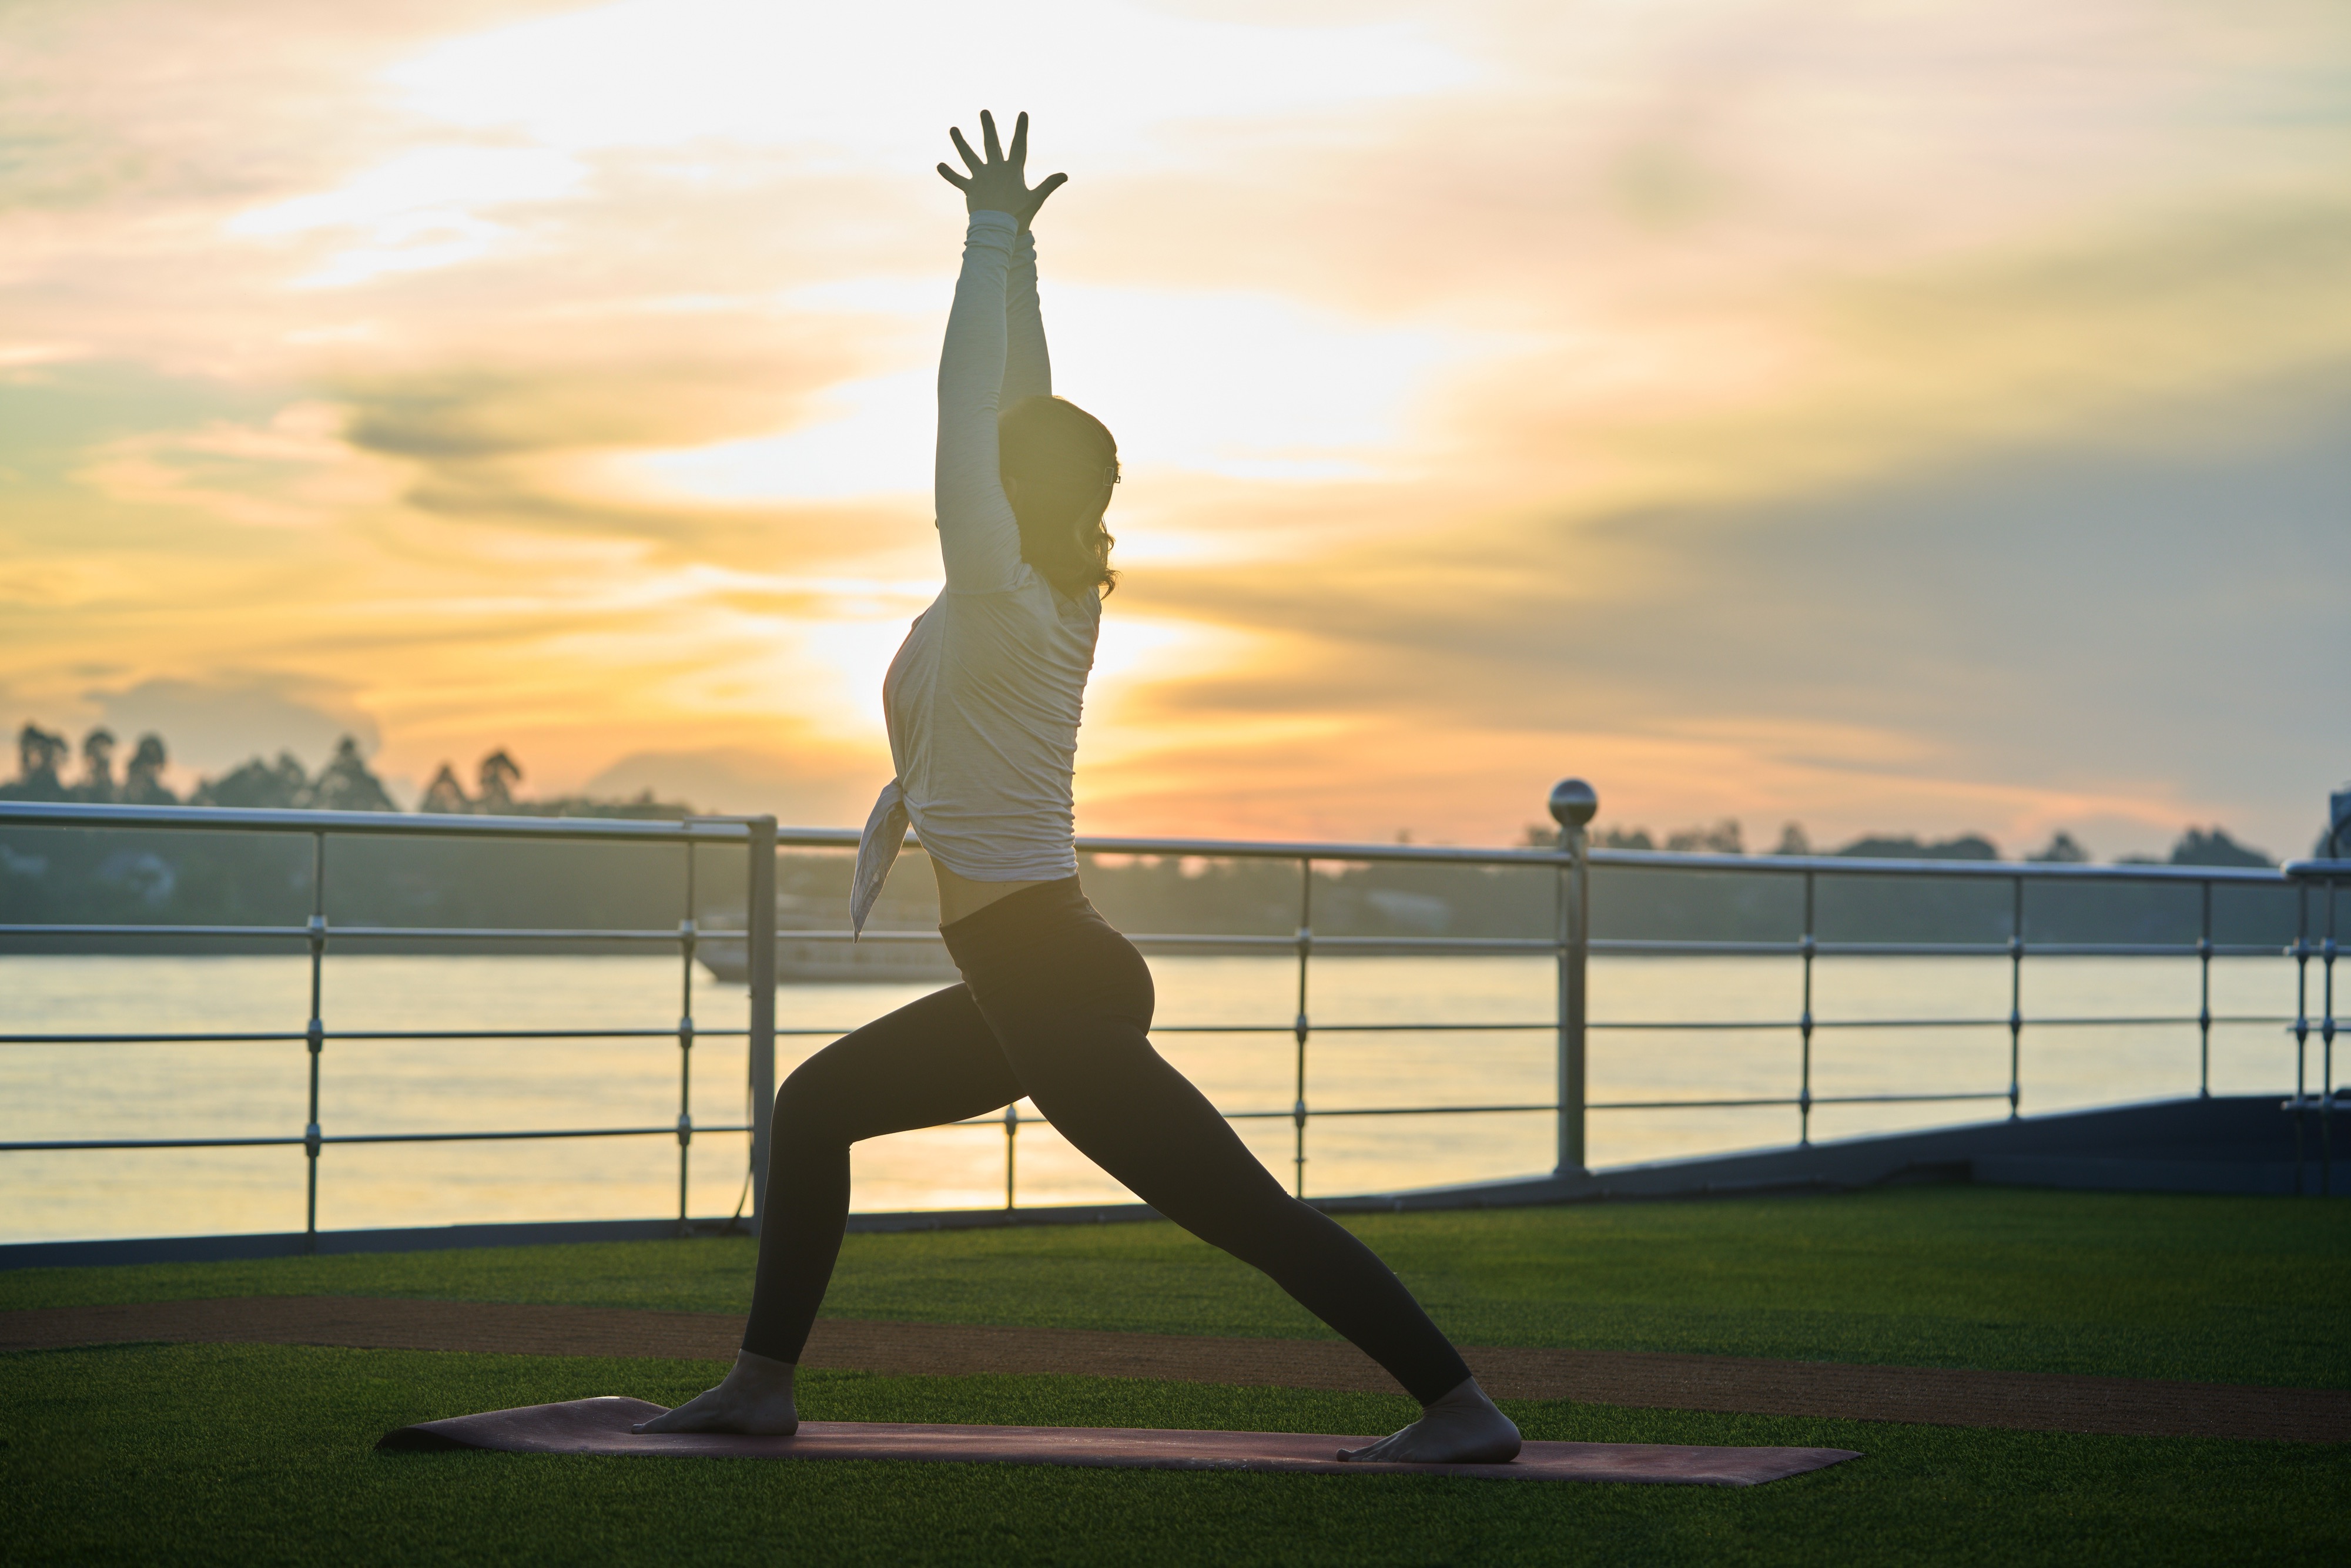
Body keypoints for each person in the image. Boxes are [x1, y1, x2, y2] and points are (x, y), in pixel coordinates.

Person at [639, 111, 1519, 1466]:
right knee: (814, 1106)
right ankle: (761, 1380)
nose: (981, 464)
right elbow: (1014, 417)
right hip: (1036, 969)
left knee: (1243, 1212)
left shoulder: (995, 593)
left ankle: (1460, 1404)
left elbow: (968, 414)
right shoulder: (1043, 594)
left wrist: (985, 240)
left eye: (996, 467)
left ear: (1006, 492)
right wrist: (1024, 262)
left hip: (1046, 978)